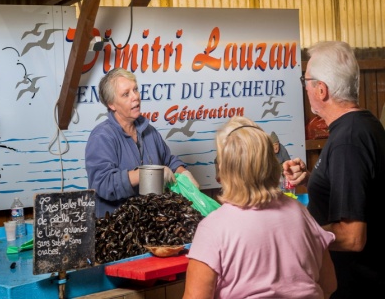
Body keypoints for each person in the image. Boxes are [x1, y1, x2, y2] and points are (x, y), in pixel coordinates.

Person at [183, 116, 336, 299]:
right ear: (271, 165)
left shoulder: (213, 228)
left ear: (225, 171)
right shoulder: (301, 212)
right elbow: (329, 284)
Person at [283, 41, 385, 298]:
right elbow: (359, 190)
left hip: (357, 285)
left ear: (321, 89)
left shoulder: (348, 141)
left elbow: (353, 238)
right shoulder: (363, 124)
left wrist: (296, 233)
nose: (304, 88)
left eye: (304, 80)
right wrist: (313, 178)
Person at [85, 68, 199, 218]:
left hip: (150, 222)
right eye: (126, 94)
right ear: (111, 104)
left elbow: (168, 160)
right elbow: (103, 184)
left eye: (135, 90)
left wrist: (184, 172)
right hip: (116, 226)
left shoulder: (149, 131)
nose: (135, 97)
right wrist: (148, 174)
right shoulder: (102, 137)